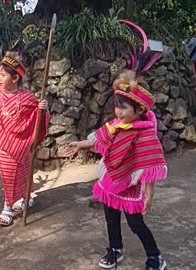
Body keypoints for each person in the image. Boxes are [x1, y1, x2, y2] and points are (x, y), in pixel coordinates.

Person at [66, 69, 168, 270]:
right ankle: (115, 249)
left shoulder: (145, 134)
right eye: (117, 107)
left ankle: (155, 257)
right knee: (111, 218)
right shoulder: (115, 125)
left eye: (124, 108)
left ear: (139, 110)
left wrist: (149, 194)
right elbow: (99, 138)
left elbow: (148, 166)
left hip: (131, 187)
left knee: (136, 224)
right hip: (110, 182)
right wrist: (80, 144)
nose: (119, 112)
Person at [0, 53, 49, 226]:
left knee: (24, 173)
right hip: (6, 145)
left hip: (23, 144)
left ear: (15, 78)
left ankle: (25, 196)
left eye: (3, 75)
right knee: (7, 174)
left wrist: (43, 109)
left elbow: (38, 114)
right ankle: (8, 205)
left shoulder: (27, 97)